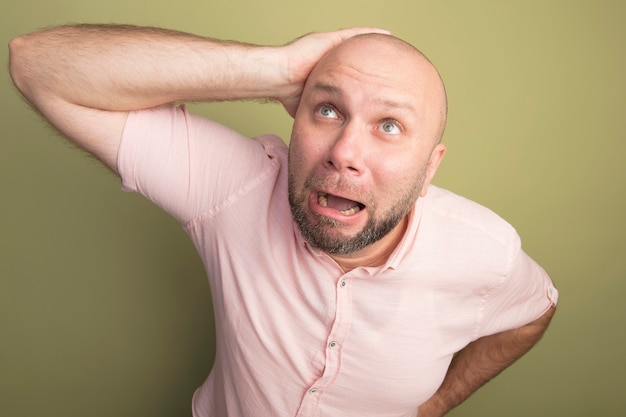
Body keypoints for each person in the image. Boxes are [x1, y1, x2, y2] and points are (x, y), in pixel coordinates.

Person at [8, 24, 558, 417]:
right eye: (327, 109)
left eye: (389, 125)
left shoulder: (486, 251)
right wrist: (275, 69)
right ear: (294, 119)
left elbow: (534, 313)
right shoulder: (239, 185)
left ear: (429, 166)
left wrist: (439, 401)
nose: (345, 152)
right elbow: (36, 64)